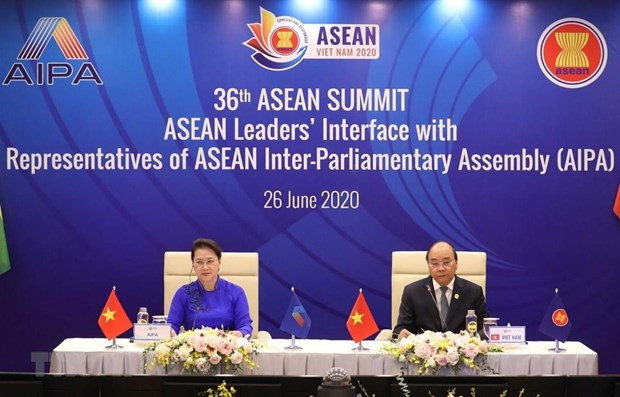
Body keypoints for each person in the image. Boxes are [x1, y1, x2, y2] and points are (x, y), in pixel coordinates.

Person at [393, 241, 489, 339]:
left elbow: (484, 329)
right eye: (434, 263)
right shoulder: (412, 292)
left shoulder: (473, 291)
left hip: (462, 351)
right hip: (425, 351)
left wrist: (469, 340)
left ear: (456, 263)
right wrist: (401, 334)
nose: (441, 268)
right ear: (428, 265)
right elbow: (400, 329)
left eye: (446, 262)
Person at [167, 238, 253, 337]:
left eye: (210, 261)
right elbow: (172, 325)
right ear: (193, 264)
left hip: (227, 348)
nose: (205, 267)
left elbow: (245, 325)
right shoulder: (184, 293)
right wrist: (170, 333)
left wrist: (240, 334)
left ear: (219, 262)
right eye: (199, 262)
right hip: (192, 350)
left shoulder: (235, 292)